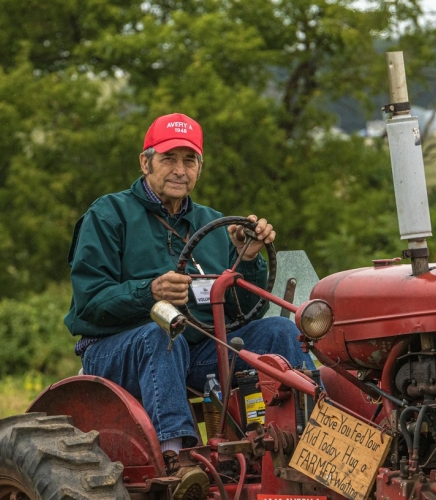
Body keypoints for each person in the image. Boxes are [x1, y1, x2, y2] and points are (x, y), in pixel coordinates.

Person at [64, 113, 315, 500]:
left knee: (280, 331)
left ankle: (310, 440)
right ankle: (177, 461)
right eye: (169, 158)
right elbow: (90, 302)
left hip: (197, 351)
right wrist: (149, 292)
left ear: (200, 166)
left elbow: (241, 311)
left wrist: (248, 257)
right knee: (163, 333)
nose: (180, 170)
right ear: (145, 162)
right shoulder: (108, 215)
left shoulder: (213, 224)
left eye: (190, 160)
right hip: (114, 351)